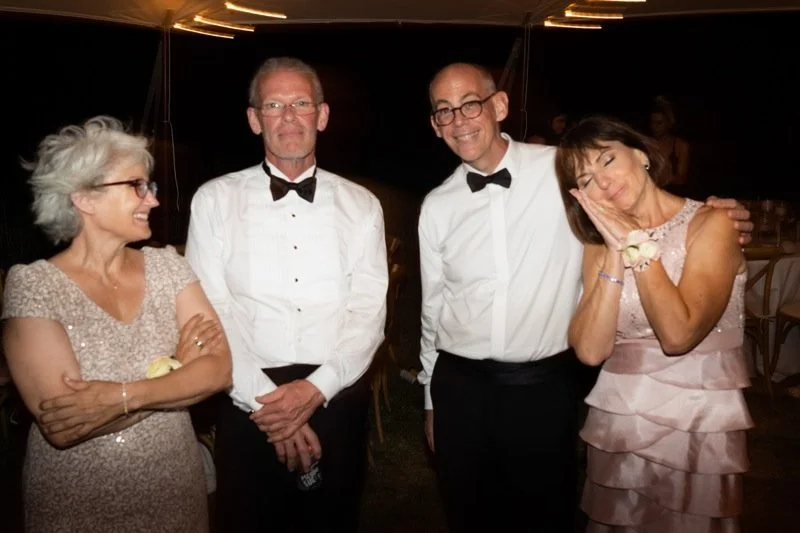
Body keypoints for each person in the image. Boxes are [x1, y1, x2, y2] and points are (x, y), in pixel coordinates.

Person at [417, 63, 753, 533]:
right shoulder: (436, 205)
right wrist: (431, 398)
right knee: (467, 515)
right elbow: (432, 308)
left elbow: (636, 201)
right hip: (460, 386)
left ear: (499, 106)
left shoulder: (565, 170)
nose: (459, 120)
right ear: (435, 125)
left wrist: (724, 215)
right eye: (445, 111)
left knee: (546, 516)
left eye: (470, 104)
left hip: (542, 386)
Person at [184, 56, 388, 533]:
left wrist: (315, 390)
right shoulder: (213, 200)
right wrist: (270, 406)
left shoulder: (362, 205)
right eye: (274, 105)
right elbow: (211, 312)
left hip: (335, 392)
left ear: (323, 115)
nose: (289, 117)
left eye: (301, 103)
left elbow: (368, 311)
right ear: (255, 119)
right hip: (246, 395)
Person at [1, 116, 232, 532]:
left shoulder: (168, 267)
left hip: (175, 490)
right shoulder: (34, 286)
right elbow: (65, 425)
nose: (153, 200)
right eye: (136, 186)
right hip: (77, 504)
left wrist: (121, 397)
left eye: (150, 185)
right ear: (84, 198)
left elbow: (218, 370)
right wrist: (177, 367)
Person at [555, 115, 753, 532]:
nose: (603, 182)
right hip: (621, 424)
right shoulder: (598, 245)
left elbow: (678, 335)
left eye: (607, 160)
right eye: (586, 180)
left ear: (641, 153)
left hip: (697, 423)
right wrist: (614, 251)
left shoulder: (712, 225)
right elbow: (590, 350)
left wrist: (637, 244)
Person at [650, 96, 690, 196]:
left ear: (669, 123)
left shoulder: (680, 145)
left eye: (659, 123)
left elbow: (681, 179)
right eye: (652, 123)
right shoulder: (649, 144)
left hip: (676, 196)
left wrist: (660, 177)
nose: (655, 127)